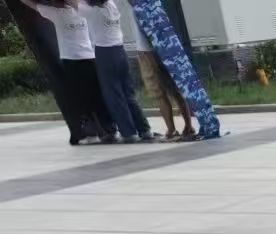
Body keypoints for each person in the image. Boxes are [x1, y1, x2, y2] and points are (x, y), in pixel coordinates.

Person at [20, 0, 116, 145]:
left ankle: (94, 132)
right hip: (87, 58)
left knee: (82, 97)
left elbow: (33, 5)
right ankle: (108, 129)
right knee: (96, 96)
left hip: (73, 60)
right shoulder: (80, 10)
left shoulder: (57, 14)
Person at [119, 0, 197, 141]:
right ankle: (188, 126)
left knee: (158, 93)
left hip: (147, 51)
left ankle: (171, 130)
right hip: (166, 47)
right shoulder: (154, 4)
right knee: (175, 89)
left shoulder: (138, 7)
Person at [82, 0, 153, 142]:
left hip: (105, 53)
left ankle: (129, 132)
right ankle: (144, 129)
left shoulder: (92, 12)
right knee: (128, 93)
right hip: (120, 51)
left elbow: (72, 3)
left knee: (114, 95)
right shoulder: (111, 6)